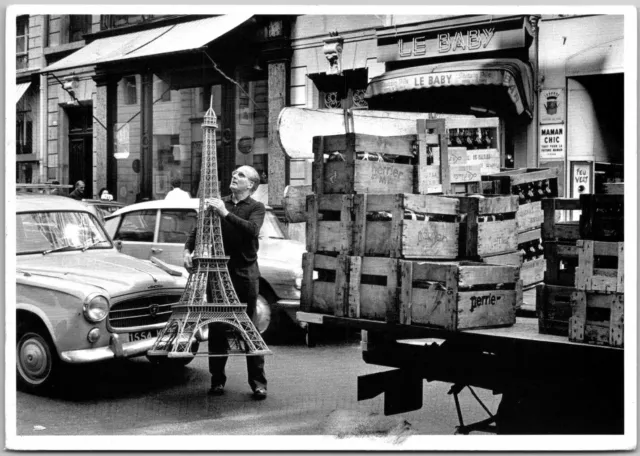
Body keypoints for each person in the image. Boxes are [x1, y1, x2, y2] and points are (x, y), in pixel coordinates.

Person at [184, 165, 267, 400]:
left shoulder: (256, 208)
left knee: (249, 328)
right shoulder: (219, 202)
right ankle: (217, 380)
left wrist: (225, 213)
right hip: (219, 272)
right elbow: (200, 227)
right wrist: (187, 249)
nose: (234, 175)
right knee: (218, 328)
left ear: (250, 184)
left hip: (244, 273)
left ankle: (258, 383)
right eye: (234, 173)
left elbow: (252, 230)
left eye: (240, 174)